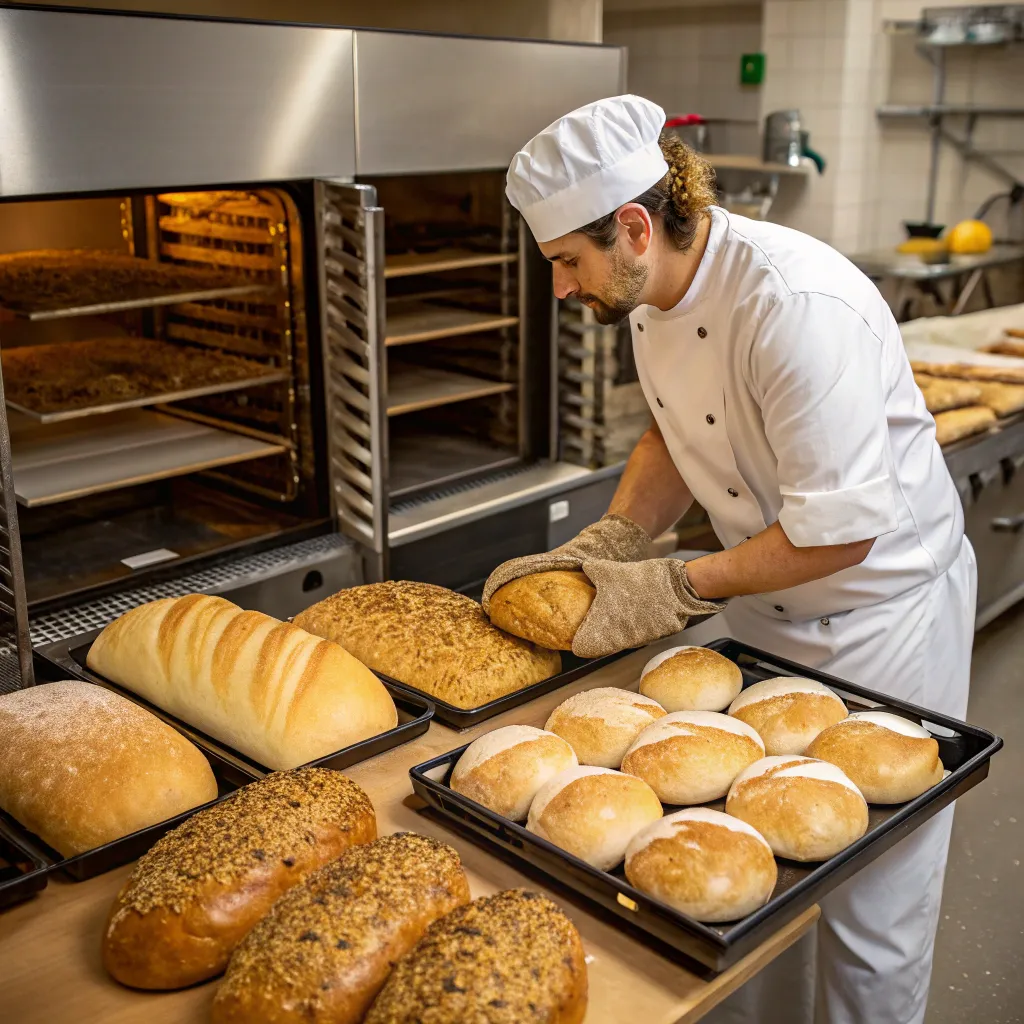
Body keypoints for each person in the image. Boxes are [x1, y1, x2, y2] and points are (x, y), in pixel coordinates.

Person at [483, 94, 975, 1024]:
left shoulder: (793, 304)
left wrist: (673, 583)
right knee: (727, 872)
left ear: (633, 227)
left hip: (883, 617)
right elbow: (674, 437)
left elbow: (840, 533)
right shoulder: (652, 289)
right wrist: (615, 540)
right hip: (761, 606)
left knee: (873, 911)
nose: (560, 287)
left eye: (565, 263)